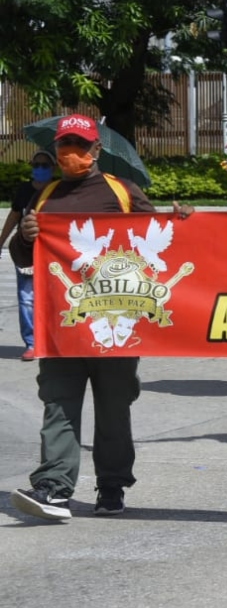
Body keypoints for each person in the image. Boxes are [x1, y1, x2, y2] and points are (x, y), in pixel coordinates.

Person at [9, 114, 179, 520]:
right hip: (63, 326)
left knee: (114, 410)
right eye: (65, 145)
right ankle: (54, 487)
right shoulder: (46, 195)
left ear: (97, 150)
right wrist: (25, 236)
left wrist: (181, 221)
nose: (71, 153)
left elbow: (160, 244)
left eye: (80, 145)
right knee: (58, 406)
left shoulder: (123, 193)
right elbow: (23, 258)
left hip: (117, 325)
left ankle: (112, 486)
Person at [1, 149, 57, 361]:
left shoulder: (59, 190)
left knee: (55, 297)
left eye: (44, 165)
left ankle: (53, 340)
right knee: (26, 298)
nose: (40, 169)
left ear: (53, 168)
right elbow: (15, 215)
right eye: (36, 165)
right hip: (26, 252)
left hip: (54, 254)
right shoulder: (25, 190)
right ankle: (32, 343)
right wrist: (1, 241)